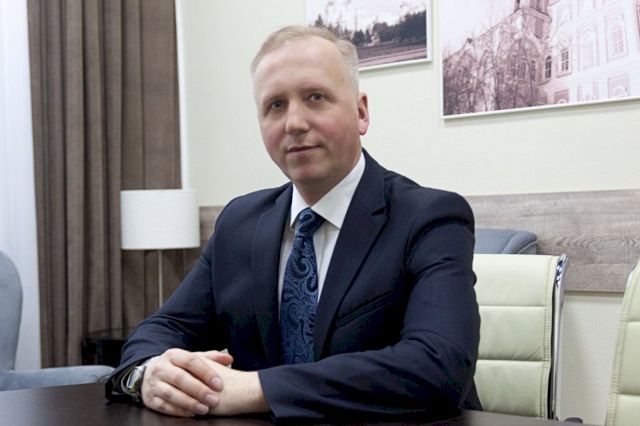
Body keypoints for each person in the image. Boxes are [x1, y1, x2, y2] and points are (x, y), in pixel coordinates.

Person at [106, 25, 482, 422]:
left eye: (315, 97)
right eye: (275, 105)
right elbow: (162, 328)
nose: (294, 123)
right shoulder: (239, 223)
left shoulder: (429, 217)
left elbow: (438, 366)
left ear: (361, 112)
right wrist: (148, 374)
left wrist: (258, 389)